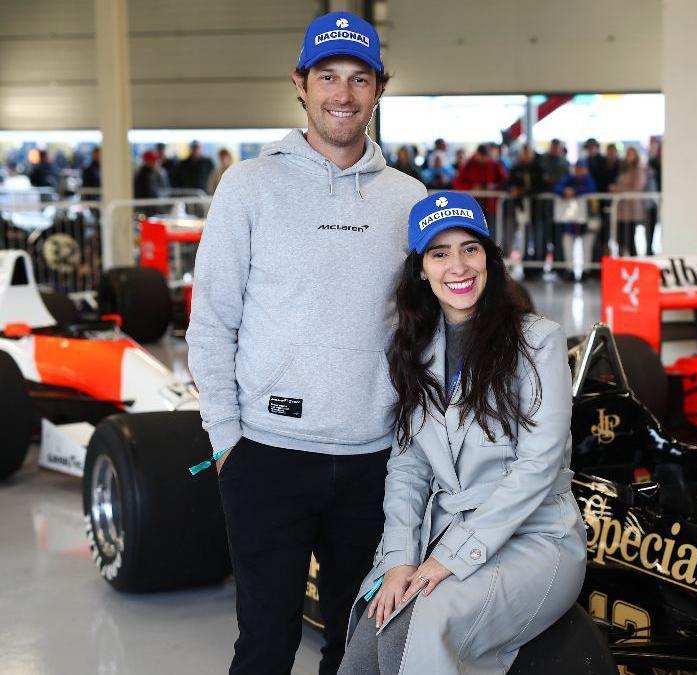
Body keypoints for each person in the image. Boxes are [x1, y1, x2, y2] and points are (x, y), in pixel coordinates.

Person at [185, 12, 427, 675]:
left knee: (359, 650)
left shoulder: (411, 200)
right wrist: (227, 442)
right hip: (266, 457)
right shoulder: (249, 188)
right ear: (301, 83)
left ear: (379, 88)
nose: (342, 95)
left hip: (374, 461)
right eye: (328, 77)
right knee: (265, 645)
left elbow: (426, 330)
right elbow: (212, 322)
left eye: (359, 78)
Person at [338, 192, 584, 675]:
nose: (458, 266)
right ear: (421, 270)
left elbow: (537, 466)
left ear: (489, 258)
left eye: (470, 248)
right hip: (445, 531)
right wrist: (399, 560)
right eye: (440, 252)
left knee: (423, 624)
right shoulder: (414, 349)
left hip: (536, 539)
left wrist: (451, 558)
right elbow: (407, 468)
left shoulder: (538, 340)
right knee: (372, 630)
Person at [610, 146, 649, 255]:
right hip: (621, 210)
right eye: (627, 153)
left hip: (631, 210)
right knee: (620, 239)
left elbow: (637, 188)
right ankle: (622, 263)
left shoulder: (638, 169)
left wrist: (618, 189)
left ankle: (633, 264)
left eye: (631, 154)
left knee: (629, 239)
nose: (628, 156)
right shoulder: (624, 169)